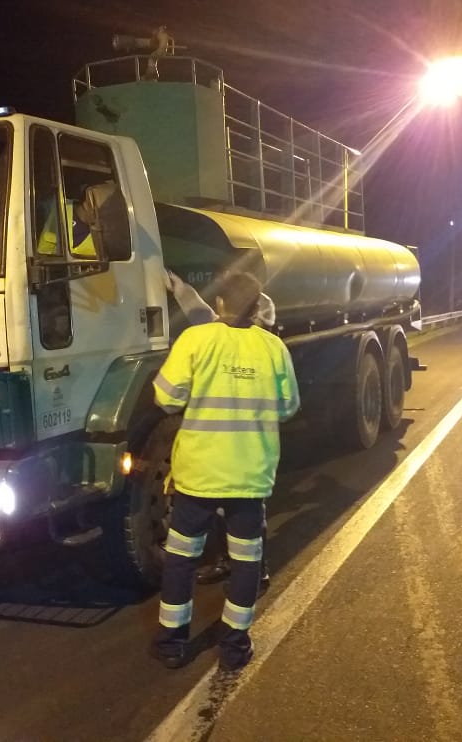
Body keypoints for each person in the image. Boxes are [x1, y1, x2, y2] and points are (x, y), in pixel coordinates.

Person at [151, 271, 299, 671]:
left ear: (218, 304)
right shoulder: (273, 348)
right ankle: (234, 647)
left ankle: (172, 644)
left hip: (198, 476)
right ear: (257, 307)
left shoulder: (196, 339)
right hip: (250, 478)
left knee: (182, 559)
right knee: (247, 561)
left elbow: (165, 397)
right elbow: (288, 406)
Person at [164, 270, 274, 590]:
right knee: (229, 511)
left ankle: (258, 567)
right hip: (226, 448)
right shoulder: (221, 331)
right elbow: (202, 313)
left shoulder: (260, 342)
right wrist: (179, 286)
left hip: (247, 449)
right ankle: (230, 563)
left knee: (247, 516)